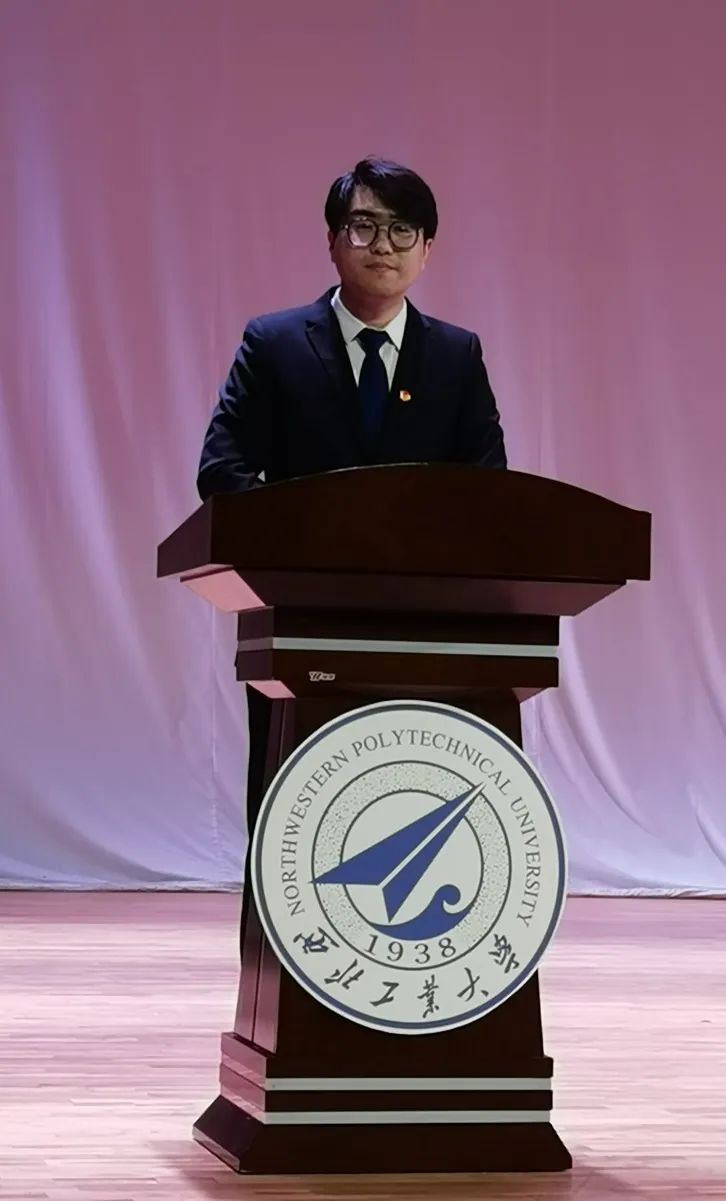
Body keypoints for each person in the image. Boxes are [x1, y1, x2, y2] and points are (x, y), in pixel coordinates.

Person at [196, 157, 507, 948]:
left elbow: (488, 489)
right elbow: (222, 471)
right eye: (364, 226)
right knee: (296, 817)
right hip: (300, 629)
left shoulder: (457, 354)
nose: (383, 245)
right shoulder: (273, 343)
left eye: (403, 229)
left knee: (413, 808)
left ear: (428, 249)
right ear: (334, 241)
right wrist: (318, 532)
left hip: (426, 635)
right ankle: (281, 1001)